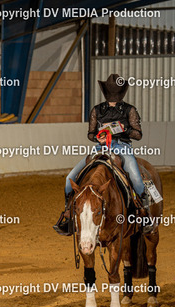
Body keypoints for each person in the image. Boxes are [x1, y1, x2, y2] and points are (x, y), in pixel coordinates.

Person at [54, 74, 151, 235]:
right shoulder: (97, 110)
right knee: (69, 178)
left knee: (135, 178)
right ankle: (69, 214)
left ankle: (144, 213)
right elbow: (91, 134)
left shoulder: (130, 110)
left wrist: (123, 129)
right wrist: (98, 137)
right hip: (100, 148)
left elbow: (138, 134)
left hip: (122, 147)